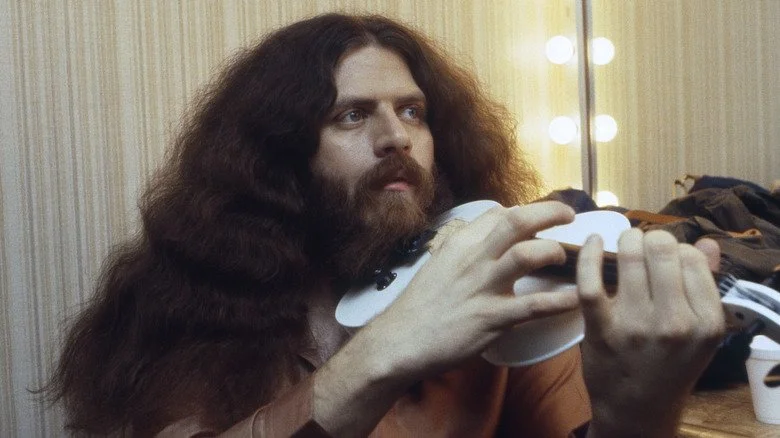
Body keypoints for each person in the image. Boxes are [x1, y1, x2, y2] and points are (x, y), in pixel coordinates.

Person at [47, 13, 725, 437]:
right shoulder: (187, 308)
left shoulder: (501, 288)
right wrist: (385, 352)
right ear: (278, 155)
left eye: (412, 112)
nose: (396, 136)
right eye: (351, 115)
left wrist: (638, 413)